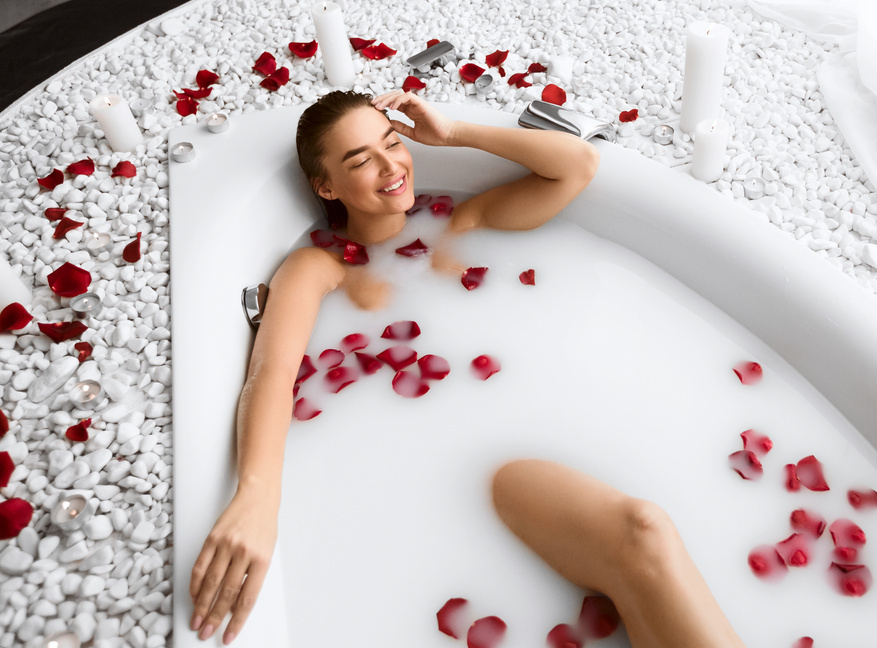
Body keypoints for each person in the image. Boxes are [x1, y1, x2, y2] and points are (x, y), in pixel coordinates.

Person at [188, 90, 743, 647]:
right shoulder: (318, 265)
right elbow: (273, 372)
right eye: (360, 161)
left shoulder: (458, 220)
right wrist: (257, 493)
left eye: (393, 144)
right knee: (644, 533)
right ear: (326, 187)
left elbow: (579, 165)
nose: (390, 167)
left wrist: (453, 132)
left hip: (552, 418)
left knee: (646, 537)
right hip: (464, 462)